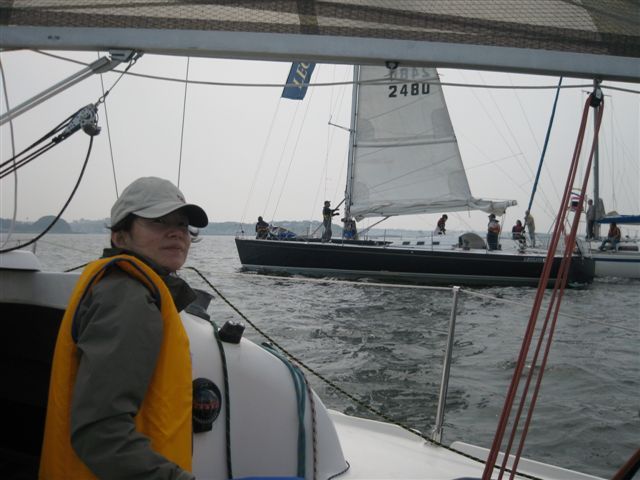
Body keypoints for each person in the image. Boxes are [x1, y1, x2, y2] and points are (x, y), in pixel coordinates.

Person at [39, 177, 208, 480]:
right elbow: (100, 432)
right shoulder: (128, 298)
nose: (176, 233)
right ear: (120, 236)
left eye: (182, 224)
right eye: (159, 221)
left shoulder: (123, 287)